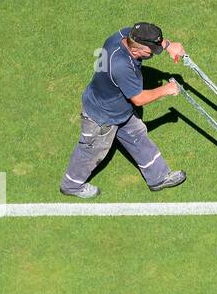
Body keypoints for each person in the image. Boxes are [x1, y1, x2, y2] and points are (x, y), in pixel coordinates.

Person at [59, 21, 187, 198]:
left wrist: (167, 45)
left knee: (138, 135)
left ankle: (158, 178)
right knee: (93, 149)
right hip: (102, 115)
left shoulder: (124, 36)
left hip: (120, 109)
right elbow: (139, 99)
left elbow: (146, 37)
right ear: (135, 51)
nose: (153, 54)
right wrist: (166, 89)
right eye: (150, 52)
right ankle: (71, 185)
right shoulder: (121, 65)